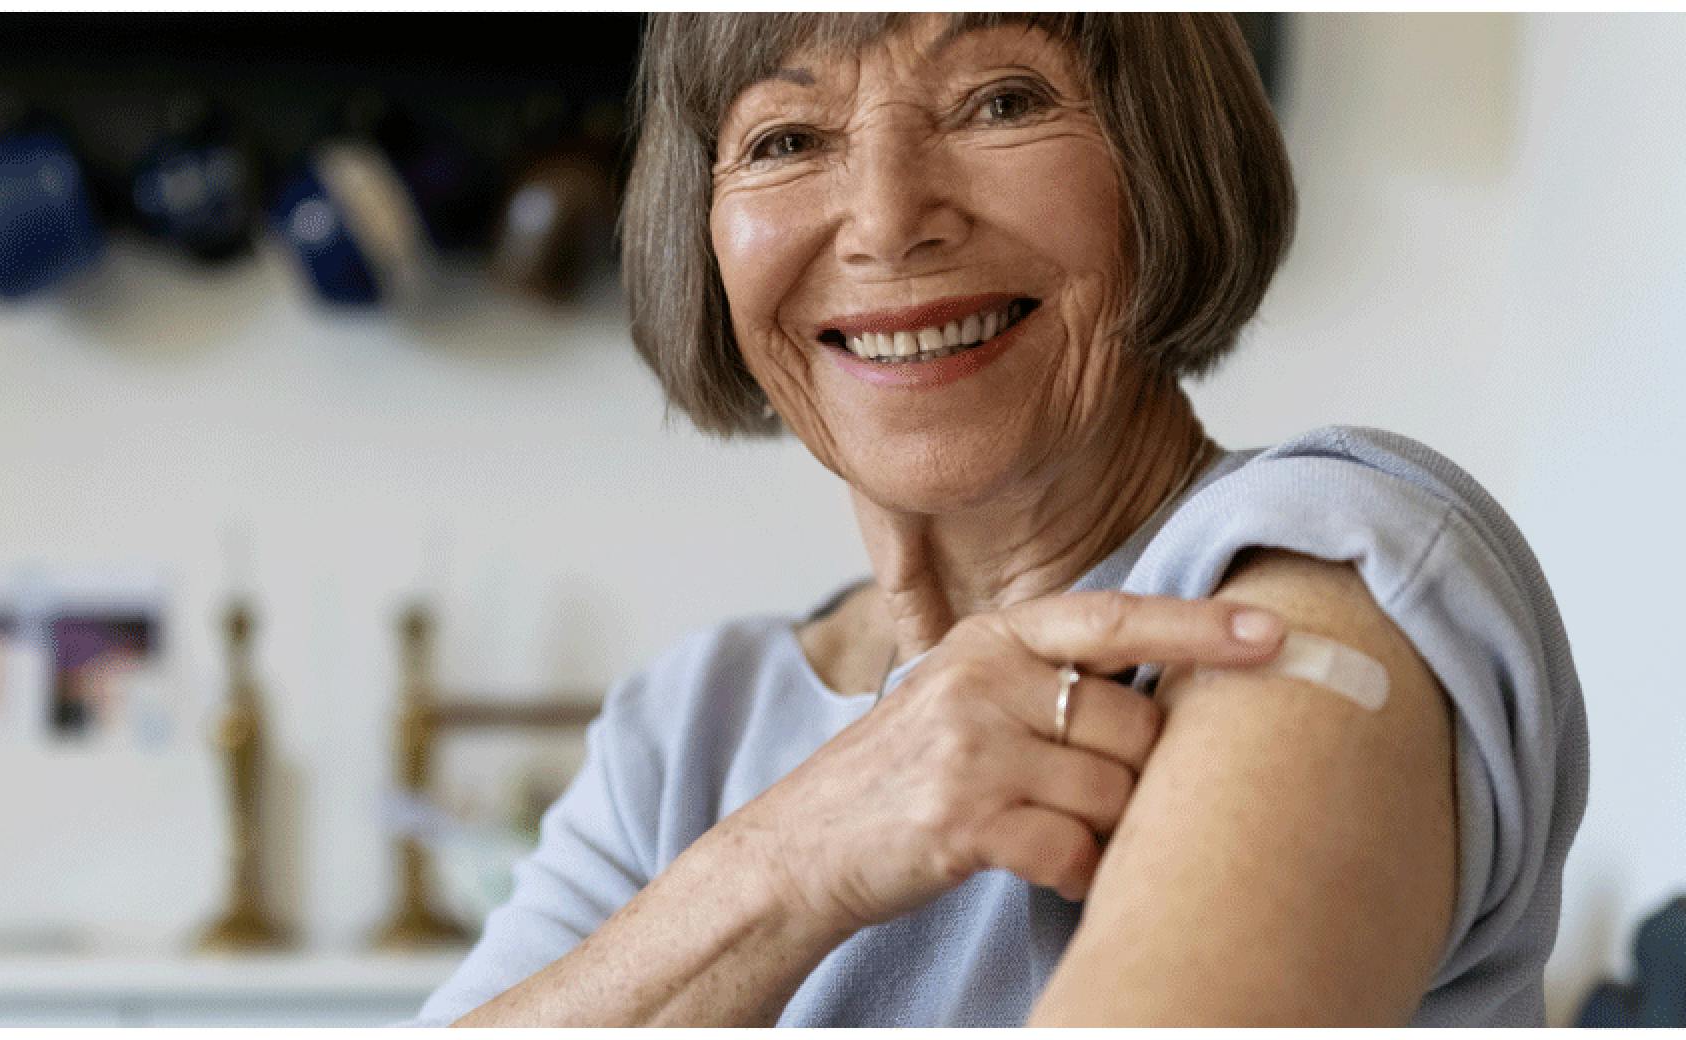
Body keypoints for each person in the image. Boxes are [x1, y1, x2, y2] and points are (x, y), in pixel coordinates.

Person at [402, 12, 1586, 1027]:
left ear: (1158, 157)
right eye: (787, 138)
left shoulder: (1322, 564)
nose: (886, 219)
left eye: (999, 101)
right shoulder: (689, 727)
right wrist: (792, 859)